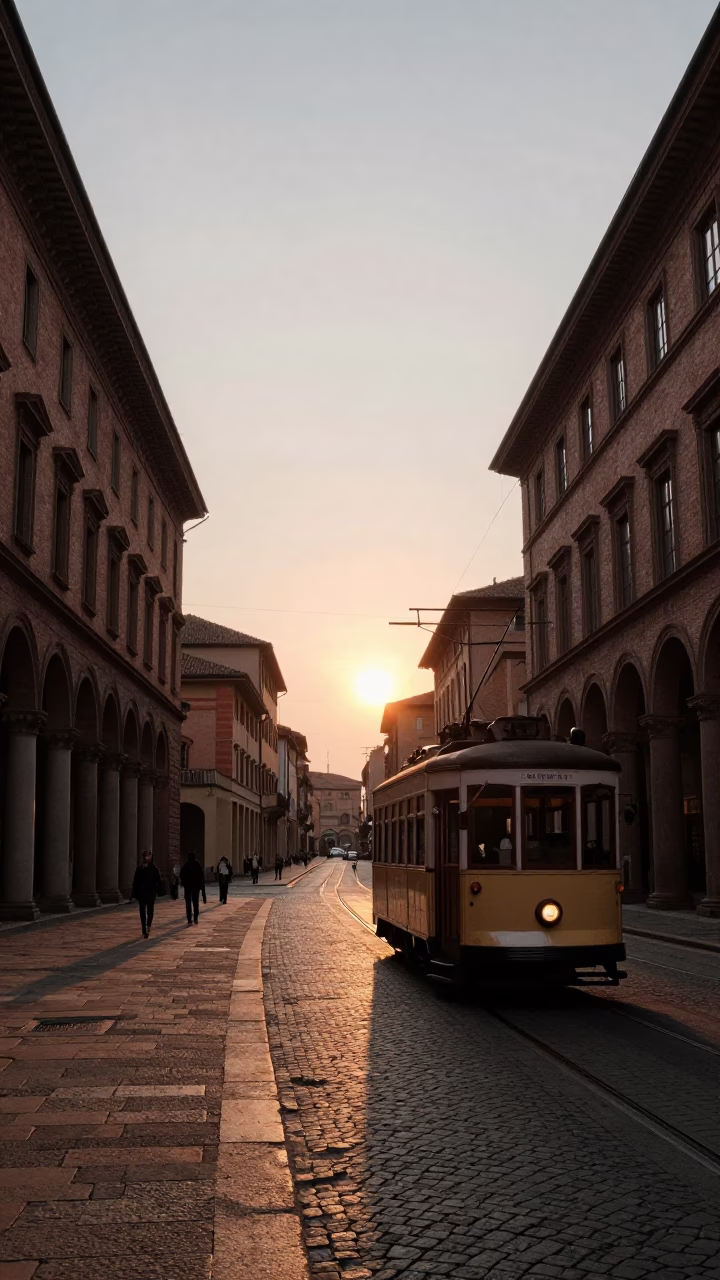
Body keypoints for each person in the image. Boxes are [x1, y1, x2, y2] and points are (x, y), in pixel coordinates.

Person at [131, 850, 163, 939]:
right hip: (142, 893)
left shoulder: (155, 869)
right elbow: (136, 882)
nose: (147, 858)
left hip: (151, 893)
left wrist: (158, 890)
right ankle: (143, 928)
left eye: (149, 856)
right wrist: (134, 893)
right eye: (146, 856)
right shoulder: (140, 868)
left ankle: (148, 926)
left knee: (150, 910)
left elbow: (159, 881)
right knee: (142, 911)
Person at [180, 850, 206, 925]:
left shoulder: (186, 865)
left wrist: (184, 882)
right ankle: (195, 918)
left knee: (188, 904)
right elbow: (201, 877)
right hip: (195, 887)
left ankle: (189, 919)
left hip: (188, 887)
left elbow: (181, 875)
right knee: (195, 903)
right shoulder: (197, 865)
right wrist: (203, 891)